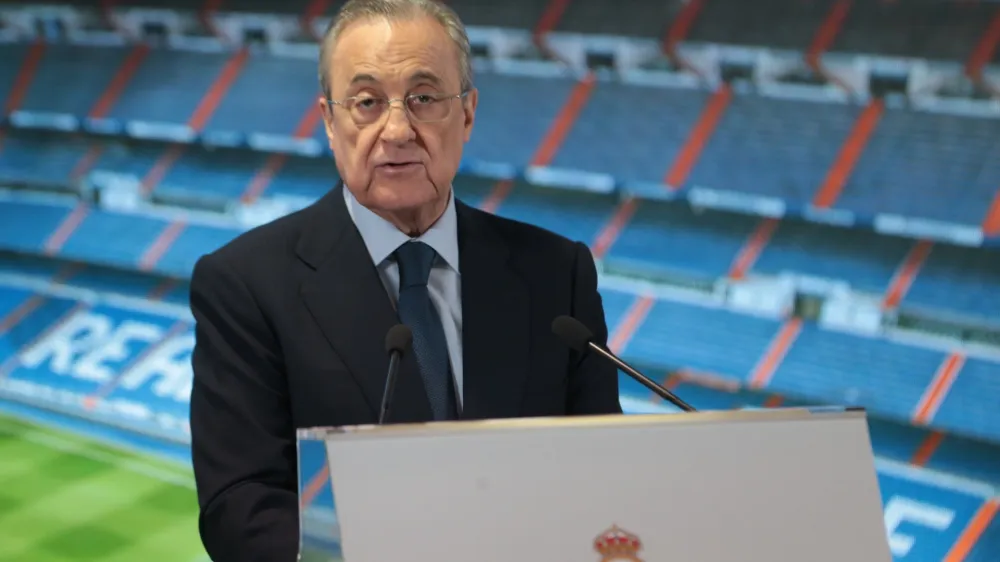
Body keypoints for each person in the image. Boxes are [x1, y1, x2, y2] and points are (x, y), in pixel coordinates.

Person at [188, 0, 622, 560]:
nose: (397, 130)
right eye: (366, 102)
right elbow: (239, 507)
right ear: (329, 120)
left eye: (424, 98)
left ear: (466, 113)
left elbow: (605, 471)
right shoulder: (244, 283)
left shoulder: (556, 272)